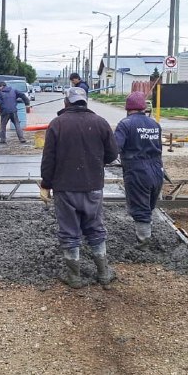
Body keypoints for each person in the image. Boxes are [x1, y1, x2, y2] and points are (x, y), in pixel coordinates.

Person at [40, 87, 119, 288]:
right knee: (95, 228)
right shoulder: (100, 123)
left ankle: (74, 276)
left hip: (65, 188)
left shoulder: (57, 124)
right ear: (85, 102)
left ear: (66, 103)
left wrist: (45, 184)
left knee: (69, 230)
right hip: (92, 186)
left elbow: (49, 159)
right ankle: (103, 273)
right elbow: (111, 155)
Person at [114, 91, 163, 249]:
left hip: (137, 171)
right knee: (149, 205)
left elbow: (115, 147)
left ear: (128, 107)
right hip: (157, 169)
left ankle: (143, 242)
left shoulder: (125, 124)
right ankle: (148, 233)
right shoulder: (155, 124)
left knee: (140, 207)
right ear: (143, 107)